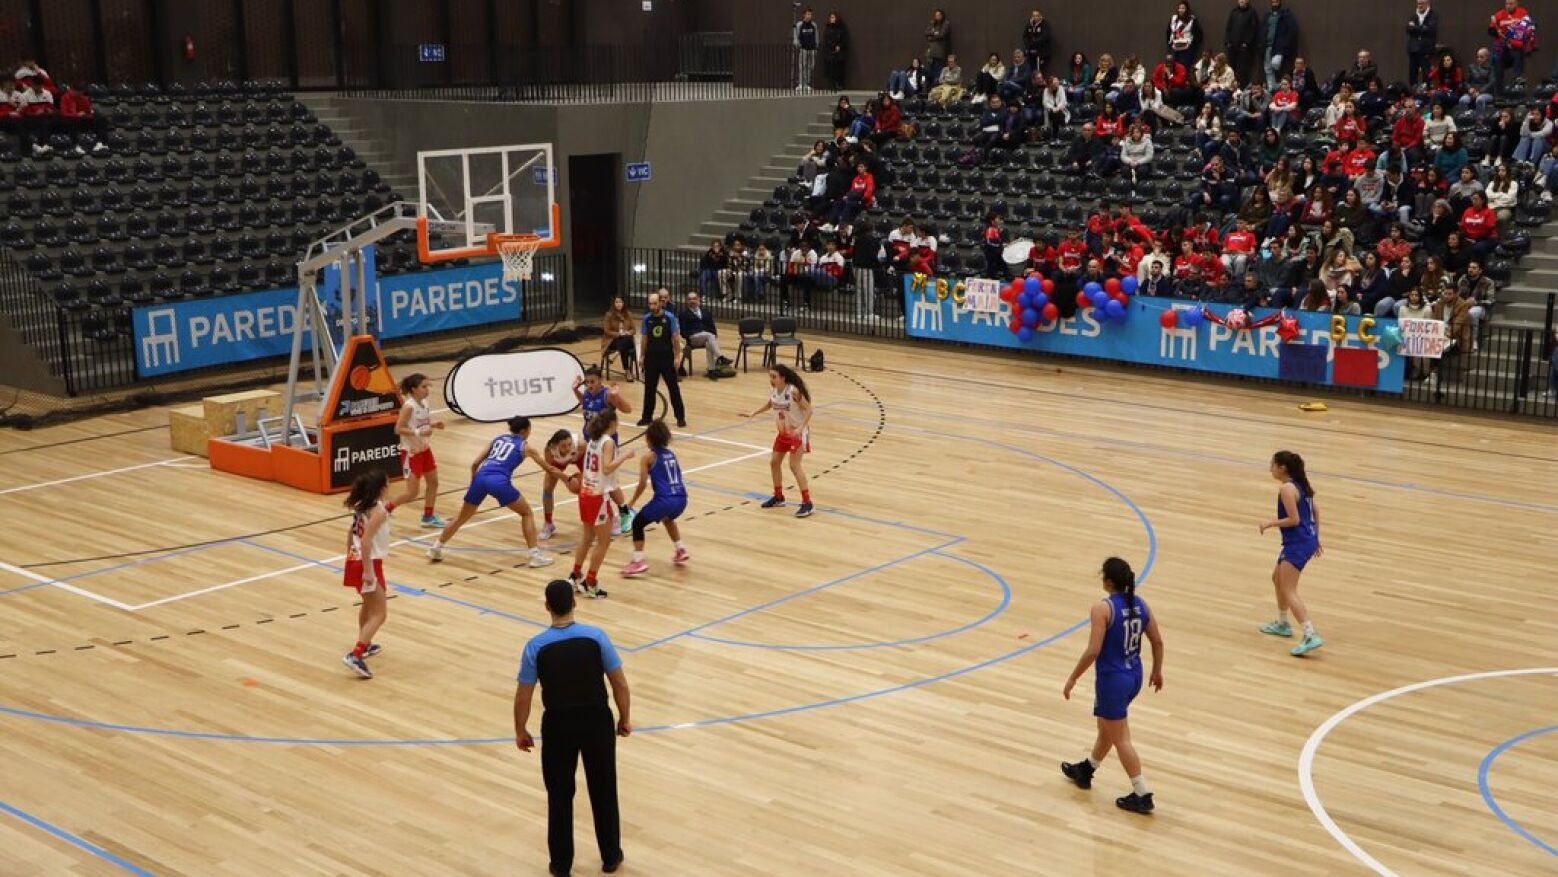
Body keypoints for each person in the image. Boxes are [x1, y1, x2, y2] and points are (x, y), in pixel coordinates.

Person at [514, 579, 630, 877]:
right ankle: (610, 856)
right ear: (575, 603)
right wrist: (624, 717)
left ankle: (561, 864)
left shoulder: (535, 646)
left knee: (560, 794)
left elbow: (523, 695)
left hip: (558, 726)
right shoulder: (596, 637)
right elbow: (619, 682)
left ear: (547, 607)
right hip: (596, 721)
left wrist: (521, 729)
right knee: (603, 788)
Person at [1060, 557, 1165, 814]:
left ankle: (1142, 793)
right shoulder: (1141, 605)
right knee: (1107, 724)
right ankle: (1087, 769)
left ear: (1107, 581)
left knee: (1121, 737)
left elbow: (1093, 650)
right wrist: (1157, 670)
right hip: (1134, 676)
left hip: (1112, 679)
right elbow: (1158, 642)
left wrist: (1073, 677)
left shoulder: (1102, 609)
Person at [426, 417, 563, 567]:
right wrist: (567, 478)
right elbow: (549, 468)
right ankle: (535, 555)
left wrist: (474, 483)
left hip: (480, 477)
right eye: (530, 430)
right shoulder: (525, 447)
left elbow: (475, 463)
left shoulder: (498, 438)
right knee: (526, 513)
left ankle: (436, 547)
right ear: (524, 431)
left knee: (461, 517)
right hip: (498, 481)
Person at [1258, 450, 1323, 657]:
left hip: (1298, 543)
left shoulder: (1287, 488)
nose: (1270, 467)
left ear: (1282, 468)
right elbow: (1316, 511)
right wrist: (1316, 536)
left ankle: (1310, 634)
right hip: (1305, 540)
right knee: (1277, 578)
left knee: (1288, 589)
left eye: (1272, 464)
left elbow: (1294, 520)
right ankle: (1283, 624)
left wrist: (1270, 523)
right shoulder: (1300, 484)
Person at [570, 409, 634, 599]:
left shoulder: (593, 440)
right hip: (597, 496)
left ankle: (575, 575)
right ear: (612, 424)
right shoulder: (608, 442)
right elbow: (606, 468)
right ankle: (590, 582)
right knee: (604, 541)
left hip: (585, 492)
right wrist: (625, 456)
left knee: (587, 537)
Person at [742, 364, 814, 519]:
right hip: (783, 433)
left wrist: (801, 427)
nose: (771, 379)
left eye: (774, 376)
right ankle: (779, 497)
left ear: (783, 378)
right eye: (770, 376)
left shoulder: (793, 391)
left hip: (797, 434)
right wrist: (754, 412)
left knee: (794, 466)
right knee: (774, 463)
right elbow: (770, 403)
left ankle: (807, 503)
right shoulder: (775, 391)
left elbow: (809, 409)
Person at [619, 420, 689, 578]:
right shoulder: (671, 454)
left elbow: (642, 485)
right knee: (668, 519)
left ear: (649, 438)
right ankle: (680, 549)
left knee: (637, 523)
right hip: (681, 498)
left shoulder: (648, 457)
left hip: (665, 500)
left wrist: (631, 503)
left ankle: (638, 561)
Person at [570, 366, 635, 536]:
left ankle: (624, 513)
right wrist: (575, 390)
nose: (589, 385)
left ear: (600, 381)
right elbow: (585, 403)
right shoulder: (587, 395)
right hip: (592, 444)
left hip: (607, 444)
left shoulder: (607, 395)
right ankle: (614, 514)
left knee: (609, 482)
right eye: (587, 382)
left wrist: (616, 396)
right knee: (602, 482)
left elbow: (628, 409)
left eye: (593, 382)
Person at [340, 469, 392, 679]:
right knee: (380, 613)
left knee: (369, 605)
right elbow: (367, 541)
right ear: (381, 488)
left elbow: (350, 534)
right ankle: (356, 654)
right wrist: (369, 571)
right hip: (367, 562)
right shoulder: (378, 511)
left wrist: (349, 556)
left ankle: (366, 644)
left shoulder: (362, 507)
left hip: (356, 559)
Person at [388, 373, 445, 529]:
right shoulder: (409, 406)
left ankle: (428, 517)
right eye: (424, 387)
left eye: (428, 386)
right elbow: (398, 428)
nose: (427, 390)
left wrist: (433, 425)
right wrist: (420, 433)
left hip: (424, 449)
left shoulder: (425, 403)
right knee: (412, 492)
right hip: (411, 453)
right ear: (413, 389)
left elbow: (419, 424)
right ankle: (385, 510)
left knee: (433, 482)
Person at [637, 288, 685, 428]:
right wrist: (642, 356)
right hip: (651, 358)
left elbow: (675, 339)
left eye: (654, 304)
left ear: (660, 303)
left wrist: (677, 357)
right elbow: (644, 338)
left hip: (666, 358)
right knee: (649, 389)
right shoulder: (647, 319)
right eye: (650, 304)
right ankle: (646, 417)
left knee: (673, 388)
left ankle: (680, 417)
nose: (652, 306)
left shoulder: (669, 318)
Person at [678, 291, 734, 381]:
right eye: (689, 299)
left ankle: (711, 370)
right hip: (693, 337)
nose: (692, 301)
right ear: (687, 301)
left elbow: (712, 326)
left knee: (709, 342)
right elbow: (683, 331)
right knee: (709, 336)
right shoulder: (683, 314)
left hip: (707, 337)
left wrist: (713, 335)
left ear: (698, 300)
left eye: (694, 299)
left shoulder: (706, 312)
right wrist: (689, 336)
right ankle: (720, 357)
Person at [1488, 0, 1536, 97]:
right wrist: (1497, 32)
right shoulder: (1499, 14)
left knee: (1518, 50)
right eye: (1507, 4)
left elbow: (1527, 28)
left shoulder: (1523, 13)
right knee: (1497, 59)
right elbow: (1491, 31)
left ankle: (1518, 81)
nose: (1508, 6)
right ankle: (1499, 94)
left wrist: (1513, 36)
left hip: (1516, 47)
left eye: (1511, 4)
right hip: (1503, 49)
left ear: (1516, 4)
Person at [1260, 0, 1297, 91]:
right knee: (1268, 69)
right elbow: (1262, 30)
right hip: (1267, 46)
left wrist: (1286, 44)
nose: (1274, 3)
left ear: (1280, 3)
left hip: (1279, 46)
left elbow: (1291, 30)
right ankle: (1272, 87)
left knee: (1275, 64)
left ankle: (1280, 85)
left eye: (1276, 1)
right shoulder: (1267, 16)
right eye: (1272, 2)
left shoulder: (1286, 15)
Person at [1224, 0, 1260, 84]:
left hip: (1244, 48)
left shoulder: (1252, 12)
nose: (1242, 1)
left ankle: (1241, 89)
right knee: (1231, 70)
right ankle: (1231, 89)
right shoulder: (1234, 12)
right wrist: (1227, 41)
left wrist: (1246, 43)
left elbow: (1254, 29)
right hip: (1232, 47)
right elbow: (1228, 28)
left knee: (1242, 71)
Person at [601, 297, 636, 380]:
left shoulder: (629, 314)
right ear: (614, 304)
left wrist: (628, 333)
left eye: (620, 302)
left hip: (627, 339)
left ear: (623, 303)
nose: (618, 304)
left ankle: (616, 353)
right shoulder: (608, 315)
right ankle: (627, 373)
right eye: (616, 302)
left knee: (626, 340)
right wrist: (619, 334)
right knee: (624, 345)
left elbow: (634, 330)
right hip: (613, 341)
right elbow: (606, 331)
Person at [1406, 0, 1439, 86]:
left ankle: (1425, 94)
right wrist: (1422, 28)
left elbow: (1430, 30)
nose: (1420, 5)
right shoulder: (1413, 16)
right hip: (1413, 50)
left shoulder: (1432, 15)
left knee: (1426, 74)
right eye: (1418, 3)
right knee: (1412, 74)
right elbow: (1408, 29)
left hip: (1426, 51)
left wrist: (1415, 28)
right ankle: (1413, 92)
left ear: (1427, 3)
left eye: (1422, 3)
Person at [1167, 2, 1203, 71]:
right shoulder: (1174, 19)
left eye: (1183, 8)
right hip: (1175, 48)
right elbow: (1168, 31)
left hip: (1187, 49)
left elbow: (1199, 34)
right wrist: (1170, 43)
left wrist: (1192, 44)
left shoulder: (1192, 20)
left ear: (1187, 9)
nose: (1181, 10)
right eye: (1179, 8)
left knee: (1184, 69)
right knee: (1174, 69)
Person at [821, 12, 848, 91]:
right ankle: (833, 84)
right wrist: (832, 46)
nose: (831, 19)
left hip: (839, 52)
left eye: (833, 17)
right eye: (831, 17)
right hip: (830, 51)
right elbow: (827, 39)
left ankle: (839, 84)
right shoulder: (828, 27)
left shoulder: (841, 28)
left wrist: (839, 46)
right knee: (831, 69)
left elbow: (844, 38)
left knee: (839, 69)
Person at [793, 8, 818, 92]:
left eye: (810, 14)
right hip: (803, 48)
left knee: (810, 66)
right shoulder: (799, 24)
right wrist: (797, 43)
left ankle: (807, 83)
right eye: (807, 14)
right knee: (802, 66)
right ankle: (801, 84)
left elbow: (816, 36)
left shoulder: (814, 25)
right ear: (804, 15)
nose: (809, 16)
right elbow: (796, 35)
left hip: (812, 49)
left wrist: (816, 46)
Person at [924, 9, 951, 84]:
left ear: (942, 16)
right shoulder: (932, 23)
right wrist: (934, 33)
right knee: (929, 70)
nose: (937, 16)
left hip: (939, 51)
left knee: (938, 71)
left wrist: (931, 37)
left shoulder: (946, 23)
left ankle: (937, 86)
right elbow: (926, 32)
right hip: (931, 51)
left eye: (938, 15)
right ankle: (930, 86)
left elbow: (942, 35)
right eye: (936, 15)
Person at [1023, 9, 1053, 73]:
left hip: (1041, 52)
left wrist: (1035, 42)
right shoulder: (1029, 24)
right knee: (1030, 68)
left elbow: (1045, 36)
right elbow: (1025, 36)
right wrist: (1028, 43)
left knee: (1039, 69)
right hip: (1030, 51)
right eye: (1034, 16)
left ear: (1040, 16)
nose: (1035, 17)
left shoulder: (1044, 25)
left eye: (1037, 16)